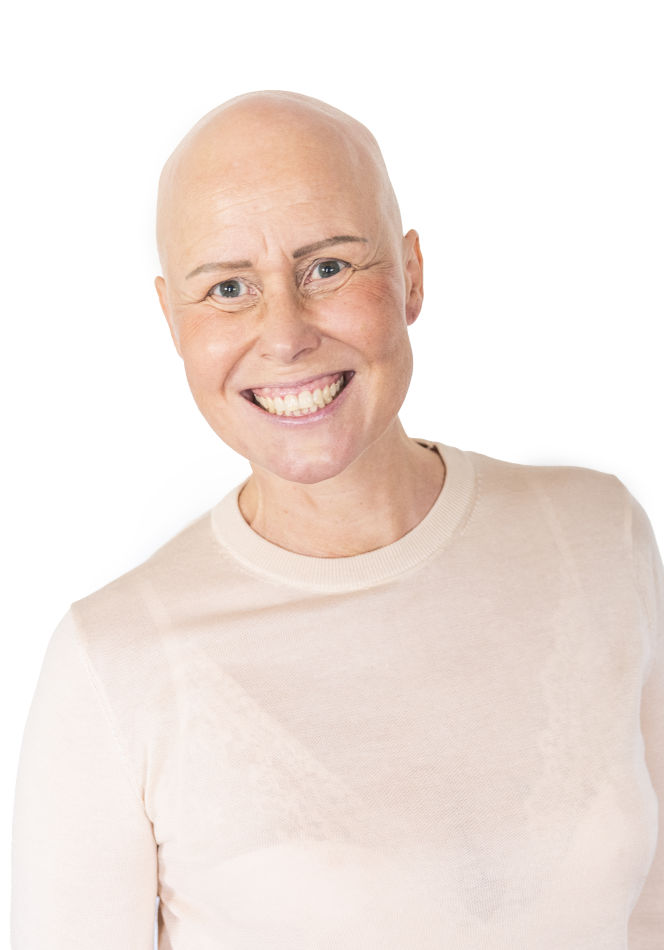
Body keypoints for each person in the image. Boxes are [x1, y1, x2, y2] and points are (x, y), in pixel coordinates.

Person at [10, 91, 663, 949]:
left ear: (412, 274)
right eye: (229, 288)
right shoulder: (113, 662)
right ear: (172, 320)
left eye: (327, 268)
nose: (284, 335)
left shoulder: (596, 534)